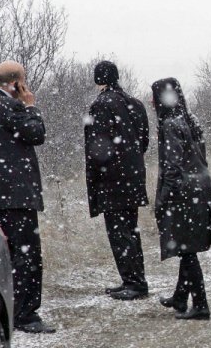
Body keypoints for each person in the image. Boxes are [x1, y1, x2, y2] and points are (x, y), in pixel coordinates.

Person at [0, 60, 56, 333]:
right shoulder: (11, 107)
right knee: (26, 256)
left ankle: (6, 309)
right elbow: (37, 134)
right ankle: (26, 315)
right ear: (16, 82)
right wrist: (30, 106)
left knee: (0, 258)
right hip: (16, 197)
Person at [85, 60, 150, 300]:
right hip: (133, 177)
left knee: (119, 232)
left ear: (98, 80)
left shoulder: (100, 105)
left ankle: (134, 283)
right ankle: (134, 280)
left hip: (112, 180)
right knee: (130, 230)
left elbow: (97, 148)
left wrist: (97, 176)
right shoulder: (135, 104)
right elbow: (144, 142)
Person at [152, 77, 211, 320]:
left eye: (154, 97)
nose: (152, 102)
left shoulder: (170, 124)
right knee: (187, 247)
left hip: (185, 194)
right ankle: (180, 297)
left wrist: (163, 199)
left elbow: (173, 167)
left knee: (187, 251)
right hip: (200, 190)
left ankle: (200, 305)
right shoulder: (190, 119)